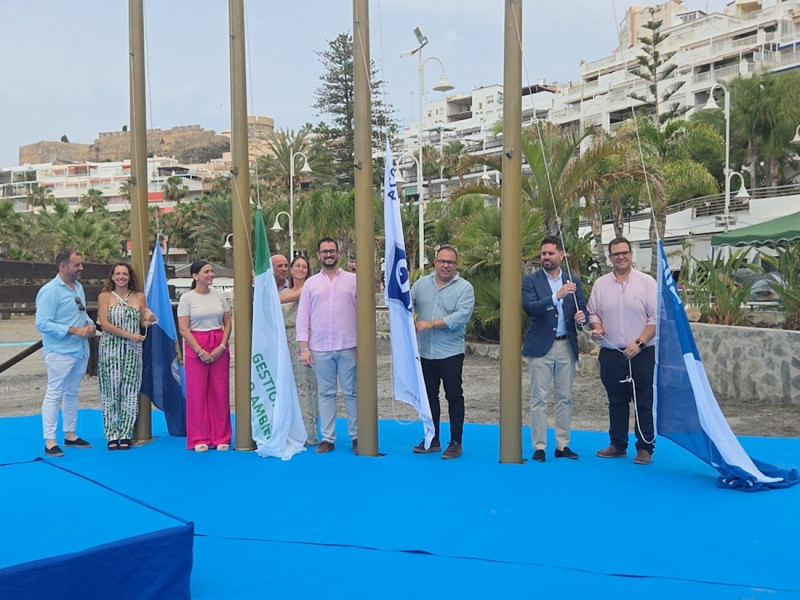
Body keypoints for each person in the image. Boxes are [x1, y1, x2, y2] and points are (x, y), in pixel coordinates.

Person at [587, 237, 657, 465]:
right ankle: (617, 444)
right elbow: (593, 314)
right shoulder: (600, 285)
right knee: (616, 401)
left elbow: (656, 318)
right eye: (616, 254)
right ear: (610, 258)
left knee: (643, 401)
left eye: (624, 252)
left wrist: (639, 343)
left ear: (631, 254)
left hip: (641, 352)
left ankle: (645, 447)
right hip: (611, 353)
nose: (621, 257)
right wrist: (596, 328)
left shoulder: (647, 283)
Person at [522, 235, 587, 462]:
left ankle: (562, 446)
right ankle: (539, 446)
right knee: (539, 398)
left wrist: (581, 318)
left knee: (564, 398)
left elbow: (583, 311)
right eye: (543, 253)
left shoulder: (573, 281)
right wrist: (555, 296)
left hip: (566, 345)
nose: (546, 257)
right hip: (541, 347)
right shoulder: (531, 281)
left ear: (561, 255)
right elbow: (530, 307)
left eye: (551, 253)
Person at [410, 245, 475, 460]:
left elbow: (461, 317)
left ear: (456, 265)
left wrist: (432, 324)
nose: (445, 265)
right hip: (425, 352)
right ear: (435, 262)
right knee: (429, 398)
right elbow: (406, 305)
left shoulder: (465, 288)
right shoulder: (421, 285)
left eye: (450, 262)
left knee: (454, 396)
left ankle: (456, 442)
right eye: (442, 261)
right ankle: (432, 438)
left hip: (450, 352)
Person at [296, 238, 357, 454]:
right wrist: (304, 347)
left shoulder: (353, 280)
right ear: (318, 255)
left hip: (349, 345)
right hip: (320, 347)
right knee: (327, 393)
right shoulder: (311, 284)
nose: (328, 254)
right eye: (324, 251)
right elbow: (303, 317)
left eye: (332, 250)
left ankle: (357, 436)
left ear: (338, 253)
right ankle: (328, 438)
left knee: (352, 393)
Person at [35, 248, 97, 457]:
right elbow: (42, 323)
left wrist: (89, 326)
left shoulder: (78, 287)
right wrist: (72, 331)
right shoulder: (50, 290)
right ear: (63, 266)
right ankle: (50, 440)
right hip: (60, 351)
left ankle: (70, 434)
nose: (81, 268)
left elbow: (82, 313)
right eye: (77, 265)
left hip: (79, 350)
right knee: (54, 393)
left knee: (72, 392)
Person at [97, 263, 157, 450]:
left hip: (133, 350)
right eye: (118, 274)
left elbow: (142, 321)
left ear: (130, 277)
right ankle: (111, 433)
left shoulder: (140, 297)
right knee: (110, 389)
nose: (121, 277)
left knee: (130, 390)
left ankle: (126, 433)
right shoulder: (105, 297)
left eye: (125, 273)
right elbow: (104, 324)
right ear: (112, 277)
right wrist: (128, 335)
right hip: (110, 349)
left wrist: (152, 319)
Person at [177, 261, 232, 452]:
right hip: (196, 344)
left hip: (218, 344)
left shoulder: (219, 296)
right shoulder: (187, 299)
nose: (211, 274)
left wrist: (222, 345)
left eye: (211, 271)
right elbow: (184, 329)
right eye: (206, 271)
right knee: (197, 393)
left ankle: (221, 436)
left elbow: (227, 322)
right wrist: (200, 351)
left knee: (220, 391)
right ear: (195, 276)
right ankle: (199, 437)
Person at [279, 254, 319, 446]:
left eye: (304, 266)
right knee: (288, 387)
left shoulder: (308, 288)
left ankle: (308, 433)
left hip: (302, 341)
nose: (300, 269)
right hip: (284, 342)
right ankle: (288, 430)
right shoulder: (285, 290)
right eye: (297, 266)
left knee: (305, 387)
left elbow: (281, 299)